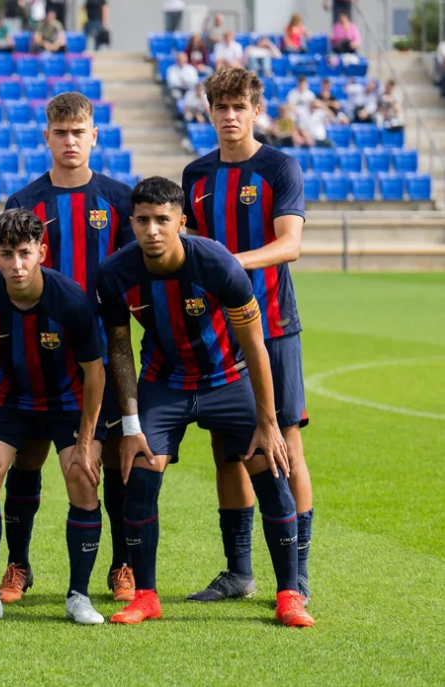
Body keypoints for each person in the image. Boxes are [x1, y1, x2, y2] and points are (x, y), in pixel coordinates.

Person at [96, 176, 314, 629]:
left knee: (269, 470)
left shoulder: (216, 262)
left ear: (181, 221)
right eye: (142, 221)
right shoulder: (115, 273)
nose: (152, 230)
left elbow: (255, 345)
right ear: (131, 223)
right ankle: (146, 595)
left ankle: (290, 594)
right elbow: (118, 348)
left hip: (226, 381)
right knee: (138, 476)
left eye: (162, 220)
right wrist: (132, 424)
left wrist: (268, 421)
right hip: (164, 383)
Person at [180, 67, 315, 608]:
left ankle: (296, 577)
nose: (230, 115)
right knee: (226, 450)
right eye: (220, 106)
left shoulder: (279, 167)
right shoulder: (195, 174)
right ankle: (239, 572)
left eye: (239, 106)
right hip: (216, 330)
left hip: (274, 324)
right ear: (208, 111)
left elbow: (290, 245)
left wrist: (227, 263)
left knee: (285, 444)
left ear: (256, 110)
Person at [0, 92, 136, 605]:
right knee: (28, 456)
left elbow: (131, 278)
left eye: (79, 132)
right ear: (47, 138)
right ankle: (18, 565)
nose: (70, 141)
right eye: (61, 133)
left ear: (94, 136)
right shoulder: (24, 201)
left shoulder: (120, 200)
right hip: (35, 352)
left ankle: (121, 564)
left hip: (105, 352)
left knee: (116, 458)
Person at [0, 209, 107, 626]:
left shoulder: (71, 299)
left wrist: (89, 441)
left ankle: (78, 596)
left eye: (24, 253)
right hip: (9, 395)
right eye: (6, 254)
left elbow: (95, 371)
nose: (16, 265)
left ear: (41, 251)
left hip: (68, 399)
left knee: (82, 478)